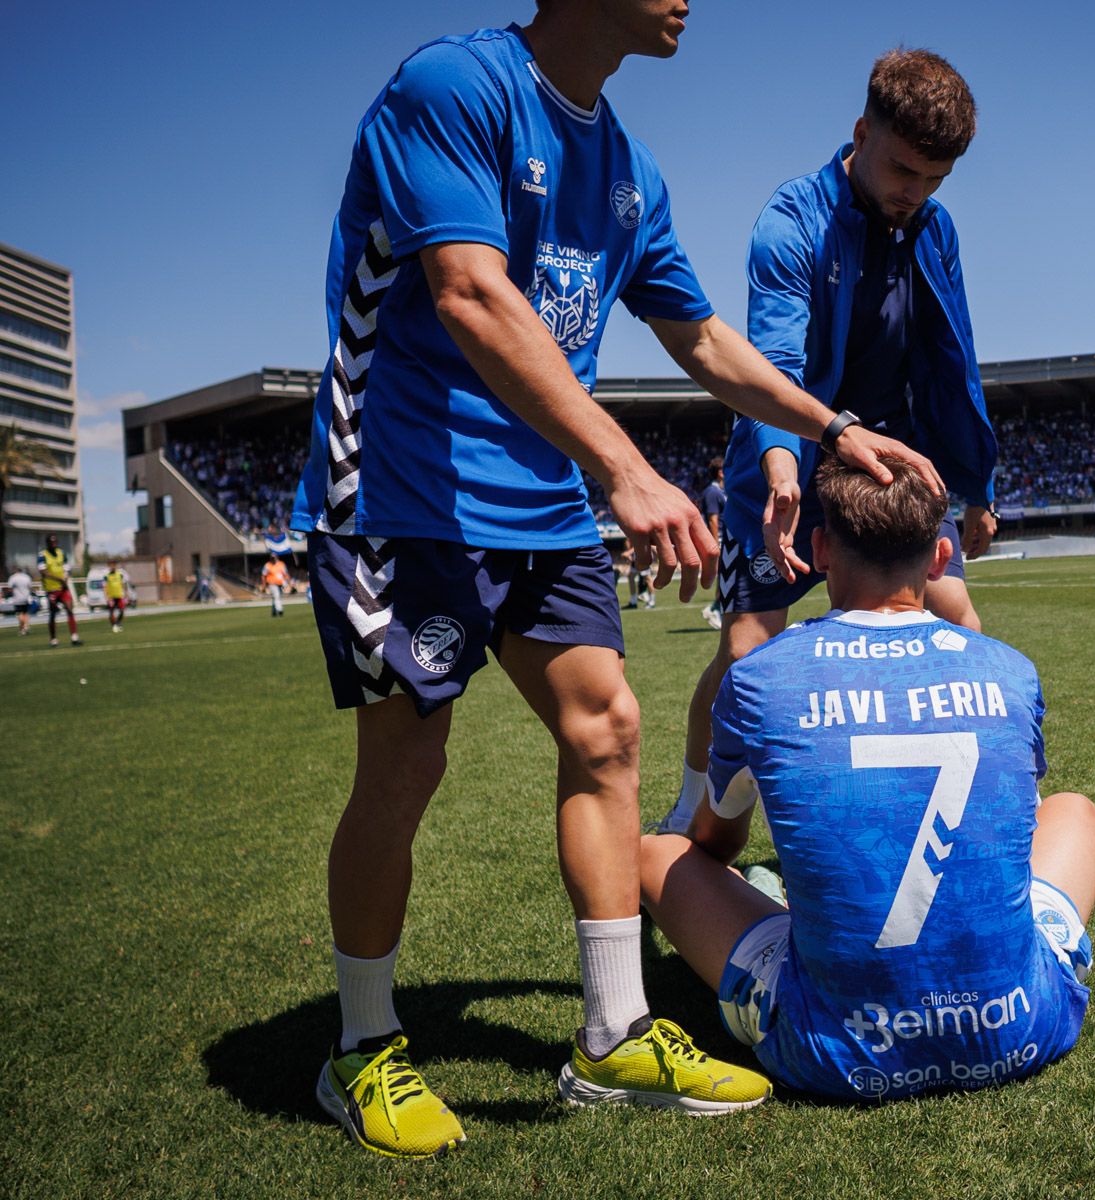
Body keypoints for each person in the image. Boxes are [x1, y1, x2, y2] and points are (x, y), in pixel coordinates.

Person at [286, 2, 937, 1158]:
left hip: (541, 505)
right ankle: (363, 1047)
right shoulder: (452, 85)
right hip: (401, 493)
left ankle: (611, 1031)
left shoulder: (626, 162)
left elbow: (700, 337)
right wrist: (627, 469)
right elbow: (469, 293)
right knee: (407, 761)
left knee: (609, 730)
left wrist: (832, 428)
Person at [640, 454, 1095, 1103]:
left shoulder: (760, 676)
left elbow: (717, 846)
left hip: (828, 1051)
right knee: (1075, 811)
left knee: (657, 852)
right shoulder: (1010, 668)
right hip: (1021, 1029)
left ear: (823, 549)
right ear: (940, 557)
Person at [666, 49, 998, 836]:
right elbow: (768, 366)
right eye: (903, 170)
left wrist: (978, 486)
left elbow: (958, 362)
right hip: (789, 464)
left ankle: (960, 834)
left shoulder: (933, 229)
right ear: (860, 131)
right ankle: (701, 818)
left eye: (934, 180)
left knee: (963, 636)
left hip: (890, 467)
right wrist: (784, 471)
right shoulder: (790, 222)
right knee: (746, 661)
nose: (914, 193)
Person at [37, 534, 79, 647]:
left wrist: (65, 577)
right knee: (53, 613)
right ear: (47, 543)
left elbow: (67, 568)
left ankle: (74, 637)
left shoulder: (62, 553)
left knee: (70, 610)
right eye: (51, 542)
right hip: (51, 589)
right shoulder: (42, 555)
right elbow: (43, 571)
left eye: (55, 542)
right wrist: (58, 578)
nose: (54, 544)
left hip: (63, 588)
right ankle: (53, 639)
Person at [698, 456, 726, 628]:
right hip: (721, 539)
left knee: (726, 577)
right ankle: (715, 608)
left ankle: (716, 608)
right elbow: (713, 520)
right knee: (727, 577)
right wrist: (715, 544)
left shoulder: (722, 492)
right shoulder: (712, 492)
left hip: (726, 538)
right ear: (721, 473)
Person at [102, 561, 130, 631]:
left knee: (122, 611)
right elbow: (104, 587)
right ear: (109, 566)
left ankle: (118, 623)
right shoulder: (106, 576)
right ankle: (114, 625)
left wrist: (126, 594)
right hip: (111, 597)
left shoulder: (120, 575)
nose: (112, 567)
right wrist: (106, 596)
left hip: (119, 596)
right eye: (111, 565)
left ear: (115, 566)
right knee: (111, 612)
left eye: (113, 565)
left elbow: (123, 584)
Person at [7, 564, 32, 636]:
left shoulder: (13, 577)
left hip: (17, 598)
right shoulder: (27, 577)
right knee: (25, 613)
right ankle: (26, 626)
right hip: (26, 597)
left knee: (19, 613)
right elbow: (30, 587)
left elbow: (10, 588)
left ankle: (22, 628)